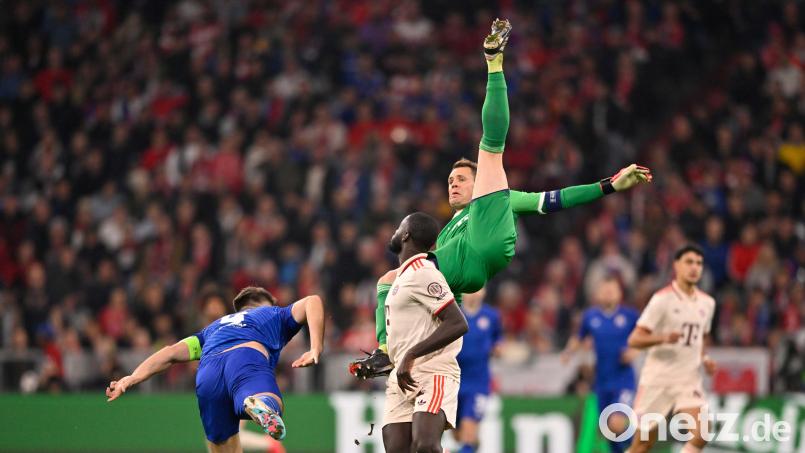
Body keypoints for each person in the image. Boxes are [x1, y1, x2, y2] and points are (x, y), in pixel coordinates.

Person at [352, 18, 653, 379]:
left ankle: (494, 63)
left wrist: (608, 186)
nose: (453, 184)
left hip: (490, 239)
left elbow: (555, 200)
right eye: (450, 180)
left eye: (461, 178)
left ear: (480, 183)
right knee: (387, 281)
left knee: (491, 148)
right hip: (471, 271)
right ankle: (385, 351)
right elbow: (449, 294)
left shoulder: (499, 197)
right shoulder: (447, 232)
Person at [106, 287, 325, 453]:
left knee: (223, 446)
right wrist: (315, 347)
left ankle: (252, 404)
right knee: (272, 403)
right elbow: (312, 302)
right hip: (245, 358)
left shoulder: (213, 328)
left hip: (208, 371)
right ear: (262, 303)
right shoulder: (272, 314)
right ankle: (259, 403)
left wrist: (132, 378)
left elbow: (170, 353)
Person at [381, 211, 469, 453]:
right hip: (402, 376)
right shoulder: (403, 277)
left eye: (399, 227)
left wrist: (411, 354)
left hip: (432, 372)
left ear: (406, 234)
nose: (395, 231)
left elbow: (457, 323)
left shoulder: (423, 271)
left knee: (425, 447)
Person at [626, 245, 717, 453]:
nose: (694, 267)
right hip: (658, 379)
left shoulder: (707, 303)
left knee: (701, 432)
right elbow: (634, 339)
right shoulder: (662, 299)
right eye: (689, 262)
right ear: (676, 266)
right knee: (642, 446)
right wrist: (663, 337)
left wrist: (705, 358)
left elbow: (700, 338)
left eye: (699, 263)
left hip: (688, 380)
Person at [561, 276, 639, 453]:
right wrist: (568, 352)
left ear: (620, 294)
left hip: (623, 381)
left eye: (612, 290)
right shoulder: (591, 317)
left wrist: (635, 351)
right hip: (602, 382)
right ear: (597, 294)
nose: (609, 294)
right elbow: (579, 337)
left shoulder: (630, 316)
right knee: (608, 431)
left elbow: (645, 336)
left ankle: (638, 446)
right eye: (605, 290)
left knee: (616, 423)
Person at [454, 289, 501, 453]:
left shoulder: (491, 316)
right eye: (471, 289)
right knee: (457, 434)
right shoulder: (454, 312)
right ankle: (472, 446)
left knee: (469, 430)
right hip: (454, 381)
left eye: (479, 288)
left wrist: (497, 349)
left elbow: (497, 339)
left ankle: (469, 445)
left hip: (478, 382)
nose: (475, 293)